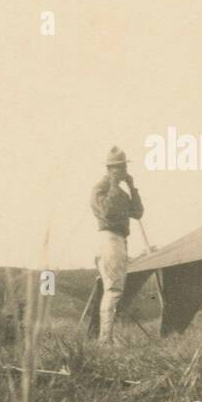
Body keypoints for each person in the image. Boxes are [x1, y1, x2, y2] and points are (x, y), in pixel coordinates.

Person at [90, 146, 144, 344]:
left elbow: (138, 212)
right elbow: (108, 212)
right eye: (118, 168)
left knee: (113, 289)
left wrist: (132, 187)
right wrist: (114, 185)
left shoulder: (121, 192)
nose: (122, 172)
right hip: (109, 238)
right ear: (110, 169)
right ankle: (105, 340)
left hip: (119, 240)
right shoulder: (100, 190)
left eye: (123, 167)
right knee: (113, 290)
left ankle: (106, 338)